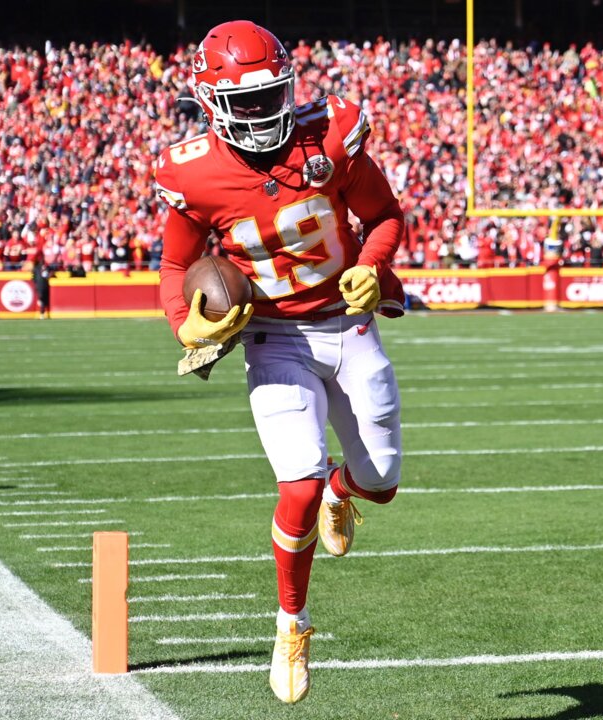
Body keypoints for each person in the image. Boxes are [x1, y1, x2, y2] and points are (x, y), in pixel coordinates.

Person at [154, 21, 407, 705]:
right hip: (273, 336)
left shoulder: (329, 136)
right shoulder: (194, 172)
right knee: (292, 487)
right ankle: (291, 624)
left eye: (272, 97)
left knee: (381, 482)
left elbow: (385, 214)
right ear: (209, 103)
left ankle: (342, 490)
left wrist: (371, 266)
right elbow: (177, 262)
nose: (264, 115)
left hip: (348, 323)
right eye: (247, 102)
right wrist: (186, 327)